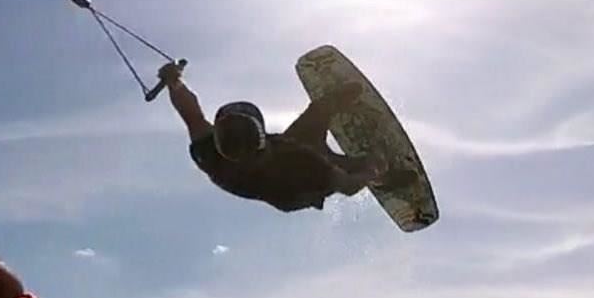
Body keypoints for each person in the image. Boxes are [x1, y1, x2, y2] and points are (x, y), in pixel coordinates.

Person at [156, 61, 409, 213]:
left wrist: (174, 80)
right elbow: (349, 187)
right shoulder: (303, 168)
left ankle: (335, 118)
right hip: (296, 190)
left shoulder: (209, 152)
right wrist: (372, 170)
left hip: (288, 152)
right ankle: (384, 177)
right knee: (358, 168)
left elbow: (190, 113)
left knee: (321, 110)